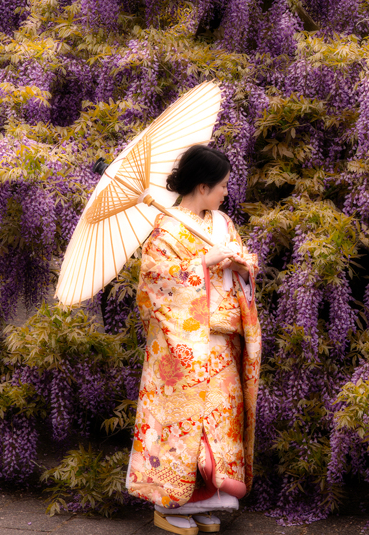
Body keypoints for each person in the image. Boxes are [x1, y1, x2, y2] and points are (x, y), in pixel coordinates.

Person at [126, 145, 260, 535]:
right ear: (203, 185)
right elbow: (155, 284)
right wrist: (202, 263)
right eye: (221, 186)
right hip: (180, 347)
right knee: (182, 424)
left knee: (219, 423)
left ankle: (204, 501)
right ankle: (169, 506)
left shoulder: (221, 223)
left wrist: (239, 262)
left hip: (220, 343)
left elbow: (247, 264)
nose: (225, 193)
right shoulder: (164, 232)